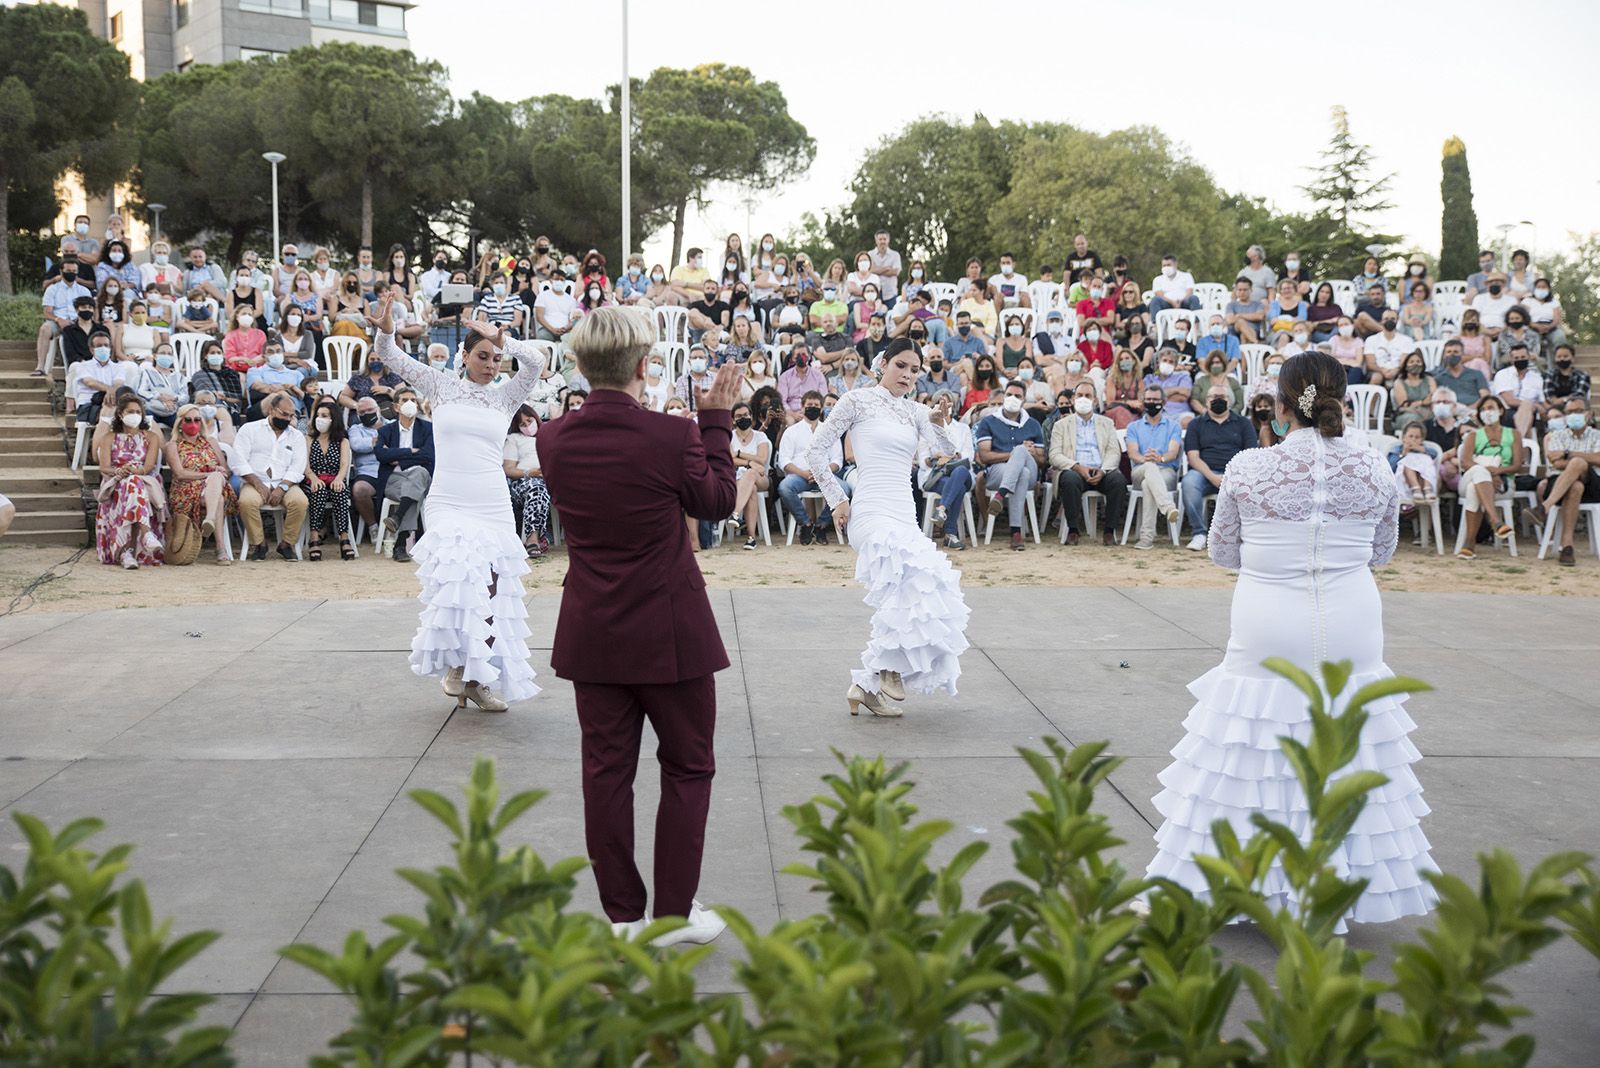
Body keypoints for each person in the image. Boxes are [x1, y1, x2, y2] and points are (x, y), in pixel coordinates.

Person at [1145, 350, 1437, 928]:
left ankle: (1247, 885)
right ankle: (1329, 892)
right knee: (1346, 748)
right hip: (1354, 619)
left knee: (1252, 753)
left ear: (1280, 408)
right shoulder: (1377, 468)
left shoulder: (1251, 468)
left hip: (1267, 619)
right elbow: (1382, 553)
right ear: (1344, 403)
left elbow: (1222, 552)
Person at [534, 306, 740, 946]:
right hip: (670, 628)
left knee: (605, 774)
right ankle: (674, 916)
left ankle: (624, 917)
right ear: (645, 367)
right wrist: (716, 423)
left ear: (579, 364)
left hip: (593, 628)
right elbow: (717, 503)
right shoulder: (671, 435)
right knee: (687, 768)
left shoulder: (551, 437)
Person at [367, 297, 547, 712]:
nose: (491, 365)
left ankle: (475, 679)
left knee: (490, 591)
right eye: (483, 356)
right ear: (464, 356)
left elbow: (535, 364)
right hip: (448, 500)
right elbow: (388, 353)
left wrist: (506, 340)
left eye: (496, 359)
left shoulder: (505, 397)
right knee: (458, 584)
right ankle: (455, 670)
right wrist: (385, 329)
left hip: (493, 503)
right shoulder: (440, 385)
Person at [807, 339, 969, 716]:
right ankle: (889, 670)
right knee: (903, 580)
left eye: (915, 370)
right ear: (883, 364)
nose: (908, 375)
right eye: (902, 365)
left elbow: (946, 452)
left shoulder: (915, 411)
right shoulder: (856, 401)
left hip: (904, 514)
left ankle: (866, 685)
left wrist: (939, 422)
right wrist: (837, 500)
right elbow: (816, 450)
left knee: (920, 586)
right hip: (868, 509)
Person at [1050, 381, 1128, 545]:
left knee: (1118, 481)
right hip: (1076, 471)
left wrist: (1104, 470)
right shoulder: (1061, 425)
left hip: (1101, 471)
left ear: (1094, 400)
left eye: (1088, 396)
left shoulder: (1106, 423)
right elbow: (1054, 455)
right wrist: (1077, 467)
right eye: (1079, 395)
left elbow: (1114, 452)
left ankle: (1109, 531)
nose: (1083, 399)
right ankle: (1073, 530)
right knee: (1069, 479)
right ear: (1072, 399)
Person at [234, 392, 309, 561]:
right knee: (246, 502)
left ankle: (286, 544)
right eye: (284, 414)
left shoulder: (296, 435)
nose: (288, 419)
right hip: (254, 481)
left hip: (285, 482)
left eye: (291, 416)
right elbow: (239, 461)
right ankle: (259, 543)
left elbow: (298, 467)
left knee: (300, 502)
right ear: (271, 410)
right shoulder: (249, 429)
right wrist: (258, 484)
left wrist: (282, 487)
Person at [94, 394, 166, 570]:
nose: (135, 415)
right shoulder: (109, 437)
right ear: (120, 414)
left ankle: (126, 552)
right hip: (116, 481)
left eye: (138, 412)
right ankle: (146, 534)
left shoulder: (151, 437)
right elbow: (104, 468)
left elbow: (148, 466)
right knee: (130, 484)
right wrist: (120, 471)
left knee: (133, 482)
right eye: (130, 411)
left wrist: (135, 472)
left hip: (144, 479)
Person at [1182, 382, 1256, 551]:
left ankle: (1238, 536)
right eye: (1213, 397)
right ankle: (1199, 533)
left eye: (1221, 397)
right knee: (1189, 482)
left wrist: (1231, 475)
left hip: (1236, 473)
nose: (1217, 400)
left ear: (1229, 400)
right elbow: (1193, 457)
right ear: (1206, 401)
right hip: (1205, 473)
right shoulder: (1196, 424)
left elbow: (1250, 455)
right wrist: (1212, 477)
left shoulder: (1244, 423)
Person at [1530, 396, 1600, 566]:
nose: (1573, 415)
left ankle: (1544, 507)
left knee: (1578, 462)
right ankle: (1567, 547)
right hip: (1561, 482)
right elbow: (1556, 462)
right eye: (1569, 412)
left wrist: (1569, 453)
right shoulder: (1558, 435)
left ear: (1589, 414)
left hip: (1594, 485)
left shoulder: (1597, 435)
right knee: (1575, 486)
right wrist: (1582, 459)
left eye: (1578, 411)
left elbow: (1598, 458)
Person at [976, 381, 1047, 551]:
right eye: (1009, 395)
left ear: (1024, 400)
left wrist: (1030, 453)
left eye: (1017, 396)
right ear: (1004, 396)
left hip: (1030, 471)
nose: (1012, 399)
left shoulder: (1033, 424)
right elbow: (984, 456)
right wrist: (1015, 454)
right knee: (1020, 470)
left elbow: (1042, 460)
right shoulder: (988, 422)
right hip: (997, 471)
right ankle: (1016, 532)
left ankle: (1000, 495)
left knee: (1022, 456)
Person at [163, 404, 235, 565]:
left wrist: (216, 470)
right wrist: (207, 473)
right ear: (180, 423)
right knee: (219, 500)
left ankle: (210, 519)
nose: (193, 423)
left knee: (217, 478)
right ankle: (220, 548)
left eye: (197, 420)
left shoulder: (211, 442)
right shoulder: (173, 446)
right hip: (185, 491)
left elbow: (225, 471)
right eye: (188, 420)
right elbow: (180, 474)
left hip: (213, 486)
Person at [374, 384, 436, 562]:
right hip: (393, 480)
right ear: (396, 406)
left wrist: (395, 456)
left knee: (418, 475)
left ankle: (399, 540)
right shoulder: (386, 430)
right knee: (413, 490)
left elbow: (428, 456)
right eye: (404, 400)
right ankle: (401, 536)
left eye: (413, 400)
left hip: (419, 477)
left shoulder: (427, 428)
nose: (409, 403)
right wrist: (411, 452)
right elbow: (380, 454)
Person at [1455, 395, 1522, 559]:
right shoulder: (1473, 435)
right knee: (1479, 472)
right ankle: (1495, 520)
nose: (1487, 412)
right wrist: (1489, 471)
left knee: (1474, 490)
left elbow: (1517, 465)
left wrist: (1498, 472)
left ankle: (1469, 543)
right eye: (1483, 409)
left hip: (1503, 482)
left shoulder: (1513, 434)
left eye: (1491, 408)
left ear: (1500, 411)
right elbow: (1465, 462)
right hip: (1471, 476)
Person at [777, 390, 848, 542]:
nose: (813, 407)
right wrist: (803, 474)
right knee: (784, 487)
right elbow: (784, 460)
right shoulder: (791, 432)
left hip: (825, 475)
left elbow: (837, 460)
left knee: (845, 489)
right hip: (800, 476)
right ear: (802, 407)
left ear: (821, 408)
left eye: (816, 405)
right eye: (809, 405)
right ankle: (806, 523)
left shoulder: (829, 431)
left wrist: (821, 473)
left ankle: (822, 525)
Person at [1125, 386, 1185, 549]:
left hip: (1166, 470)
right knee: (1149, 468)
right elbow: (1132, 453)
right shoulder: (1133, 427)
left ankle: (1146, 538)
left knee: (1148, 484)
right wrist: (1145, 459)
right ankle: (1168, 508)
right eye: (1149, 400)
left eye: (1156, 400)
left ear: (1163, 402)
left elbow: (1172, 452)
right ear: (1143, 402)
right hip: (1140, 469)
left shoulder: (1173, 426)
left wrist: (1160, 458)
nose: (1152, 403)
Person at [919, 391, 975, 550]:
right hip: (937, 475)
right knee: (958, 487)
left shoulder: (963, 428)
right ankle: (950, 534)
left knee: (960, 472)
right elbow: (923, 460)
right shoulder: (926, 429)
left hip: (960, 470)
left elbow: (969, 456)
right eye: (939, 402)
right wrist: (933, 460)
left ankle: (942, 509)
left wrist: (952, 456)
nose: (943, 406)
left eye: (947, 402)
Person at [301, 397, 355, 561]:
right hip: (313, 479)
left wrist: (339, 479)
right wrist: (313, 477)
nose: (320, 419)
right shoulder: (309, 439)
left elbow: (344, 464)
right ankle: (314, 537)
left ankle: (344, 537)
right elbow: (304, 464)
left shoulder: (342, 441)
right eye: (318, 415)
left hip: (334, 478)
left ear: (333, 418)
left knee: (340, 492)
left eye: (325, 415)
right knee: (318, 491)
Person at [504, 404, 552, 557]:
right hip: (524, 481)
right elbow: (509, 469)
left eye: (529, 421)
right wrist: (531, 472)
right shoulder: (514, 439)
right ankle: (533, 540)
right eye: (522, 424)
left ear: (536, 418)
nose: (527, 426)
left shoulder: (550, 434)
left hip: (552, 479)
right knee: (537, 488)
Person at [727, 401, 771, 550]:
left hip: (762, 477)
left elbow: (762, 459)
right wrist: (749, 463)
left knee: (752, 474)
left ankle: (736, 514)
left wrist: (739, 455)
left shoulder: (760, 436)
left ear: (751, 416)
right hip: (736, 479)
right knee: (750, 486)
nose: (743, 418)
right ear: (733, 419)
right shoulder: (729, 437)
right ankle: (751, 537)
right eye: (739, 416)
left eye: (746, 415)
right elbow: (729, 460)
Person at [1491, 344, 1544, 440]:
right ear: (1511, 360)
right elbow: (1510, 401)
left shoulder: (1536, 377)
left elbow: (1542, 401)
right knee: (1527, 405)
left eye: (1523, 357)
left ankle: (1520, 440)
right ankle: (1522, 441)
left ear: (1528, 357)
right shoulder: (1503, 374)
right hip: (1506, 412)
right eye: (1516, 358)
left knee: (1528, 409)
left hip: (1532, 414)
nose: (1520, 360)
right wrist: (1533, 405)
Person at [1391, 352, 1437, 430]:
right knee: (1414, 419)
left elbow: (1433, 398)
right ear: (1405, 366)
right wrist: (1422, 403)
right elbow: (1404, 405)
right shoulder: (1399, 382)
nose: (1415, 364)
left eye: (1418, 362)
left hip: (1427, 412)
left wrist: (1417, 404)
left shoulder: (1429, 379)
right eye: (1411, 362)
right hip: (1406, 414)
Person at [1223, 277, 1264, 344]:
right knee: (1240, 322)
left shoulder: (1258, 304)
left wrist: (1239, 315)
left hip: (1253, 332)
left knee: (1244, 335)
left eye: (1245, 290)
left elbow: (1259, 316)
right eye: (1240, 290)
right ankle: (1256, 343)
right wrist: (1249, 317)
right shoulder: (1231, 305)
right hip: (1234, 333)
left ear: (1251, 290)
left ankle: (1251, 345)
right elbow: (1230, 320)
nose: (1242, 292)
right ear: (1236, 290)